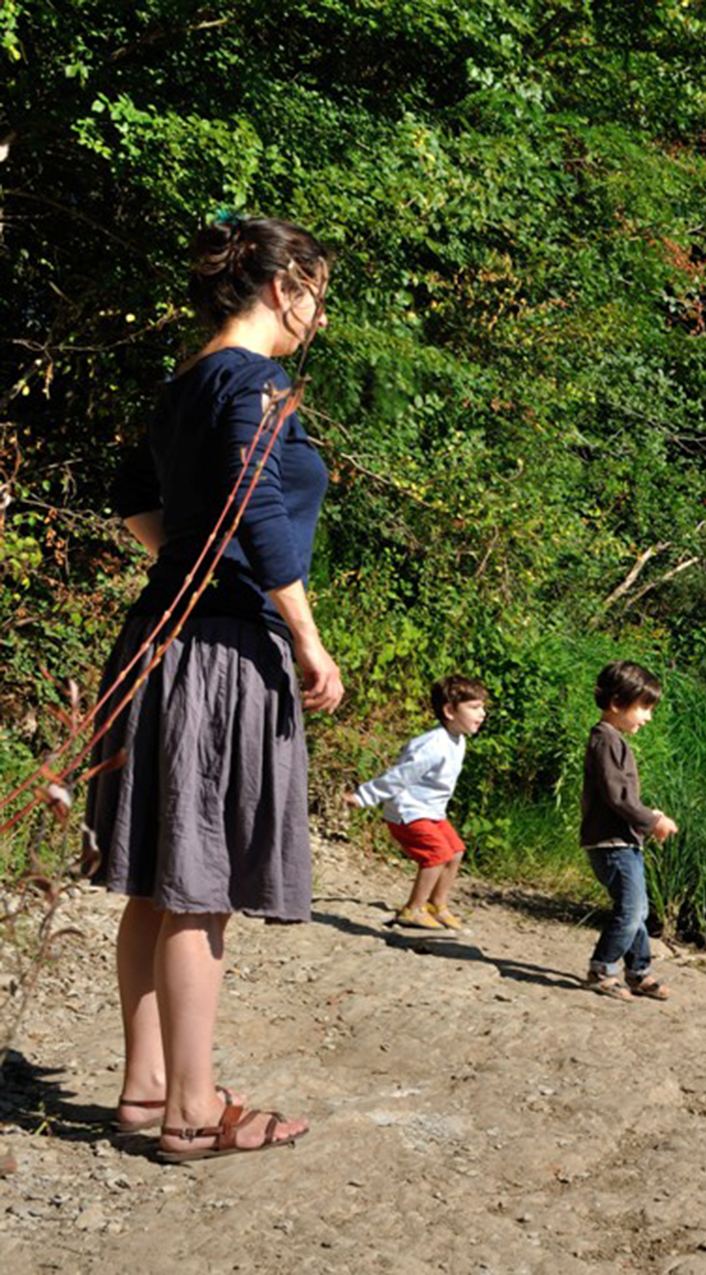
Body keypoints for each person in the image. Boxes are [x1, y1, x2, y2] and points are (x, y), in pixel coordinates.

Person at [85, 213, 341, 1161]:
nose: (319, 315)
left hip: (157, 639)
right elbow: (257, 503)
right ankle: (194, 1111)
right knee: (197, 887)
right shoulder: (255, 381)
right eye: (317, 295)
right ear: (286, 289)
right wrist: (307, 639)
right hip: (221, 649)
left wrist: (184, 562)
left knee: (156, 881)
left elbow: (131, 494)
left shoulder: (183, 382)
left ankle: (146, 1092)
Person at [347, 675, 489, 931]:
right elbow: (398, 776)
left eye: (482, 707)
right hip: (407, 812)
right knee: (437, 855)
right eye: (474, 707)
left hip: (431, 812)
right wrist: (363, 796)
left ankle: (437, 905)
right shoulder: (431, 745)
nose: (482, 713)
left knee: (455, 851)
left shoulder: (458, 740)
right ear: (449, 711)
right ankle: (413, 909)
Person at [579, 661, 679, 1001]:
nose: (648, 717)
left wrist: (647, 814)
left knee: (638, 909)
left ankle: (638, 971)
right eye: (644, 708)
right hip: (612, 844)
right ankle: (601, 969)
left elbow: (619, 795)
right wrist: (653, 822)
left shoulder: (612, 740)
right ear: (618, 703)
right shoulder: (606, 741)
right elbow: (618, 796)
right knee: (631, 909)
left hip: (620, 840)